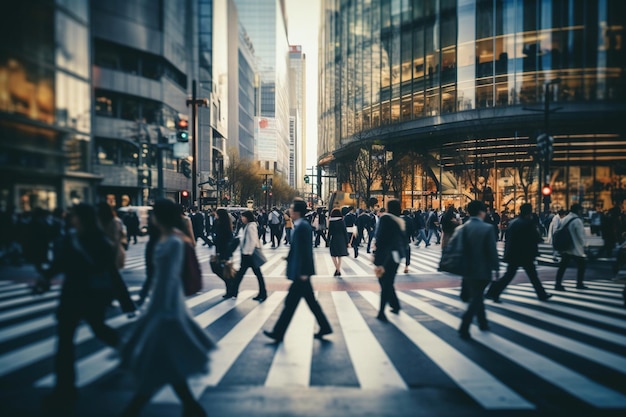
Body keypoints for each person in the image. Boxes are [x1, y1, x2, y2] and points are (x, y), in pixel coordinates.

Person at [119, 199, 213, 417]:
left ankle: (136, 408)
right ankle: (191, 408)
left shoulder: (173, 242)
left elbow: (170, 279)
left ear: (160, 216)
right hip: (164, 307)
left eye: (153, 213)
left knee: (158, 359)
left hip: (167, 308)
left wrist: (159, 310)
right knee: (163, 361)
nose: (150, 217)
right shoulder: (164, 239)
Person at [42, 204, 126, 413]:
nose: (72, 220)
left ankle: (66, 388)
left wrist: (47, 277)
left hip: (85, 294)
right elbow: (62, 263)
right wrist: (46, 278)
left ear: (82, 218)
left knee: (89, 331)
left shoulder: (92, 240)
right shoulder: (81, 239)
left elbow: (105, 269)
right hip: (82, 295)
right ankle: (65, 386)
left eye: (75, 216)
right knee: (69, 338)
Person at [264, 199, 332, 342]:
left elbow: (305, 251)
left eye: (292, 209)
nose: (290, 211)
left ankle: (278, 332)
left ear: (297, 212)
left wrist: (303, 272)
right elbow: (298, 248)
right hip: (301, 272)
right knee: (308, 302)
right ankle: (324, 326)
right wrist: (289, 258)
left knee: (291, 303)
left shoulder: (302, 227)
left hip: (301, 273)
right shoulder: (300, 225)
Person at [486, 203, 552, 303]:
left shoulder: (514, 222)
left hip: (513, 253)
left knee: (509, 275)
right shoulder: (527, 223)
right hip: (525, 254)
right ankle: (541, 294)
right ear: (529, 212)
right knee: (532, 275)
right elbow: (535, 238)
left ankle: (494, 292)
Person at [456, 200, 499, 340]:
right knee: (477, 296)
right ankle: (465, 325)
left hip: (466, 268)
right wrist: (496, 268)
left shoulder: (463, 228)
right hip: (482, 268)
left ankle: (483, 322)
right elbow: (492, 251)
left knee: (477, 295)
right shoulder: (487, 228)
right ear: (482, 212)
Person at [373, 199, 406, 322]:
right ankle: (395, 305)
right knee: (388, 281)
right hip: (396, 256)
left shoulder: (385, 219)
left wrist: (377, 257)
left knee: (384, 282)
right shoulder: (400, 221)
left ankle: (382, 311)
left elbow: (381, 238)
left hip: (385, 256)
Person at [231, 211, 267, 301]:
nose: (241, 218)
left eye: (243, 217)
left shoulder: (251, 226)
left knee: (242, 274)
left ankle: (233, 292)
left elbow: (252, 240)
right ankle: (262, 293)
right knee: (255, 274)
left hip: (249, 255)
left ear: (247, 217)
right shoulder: (249, 225)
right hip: (248, 254)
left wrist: (248, 253)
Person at [554, 203, 588, 291]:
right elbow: (580, 236)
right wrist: (585, 244)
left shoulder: (565, 218)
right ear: (578, 210)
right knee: (582, 266)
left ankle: (558, 284)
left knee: (562, 266)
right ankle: (579, 283)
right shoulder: (577, 221)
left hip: (566, 246)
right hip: (575, 247)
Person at [214, 208, 238, 298]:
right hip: (224, 251)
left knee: (223, 271)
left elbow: (221, 239)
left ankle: (230, 289)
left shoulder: (222, 225)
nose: (215, 215)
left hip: (223, 251)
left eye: (216, 214)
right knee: (225, 271)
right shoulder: (225, 224)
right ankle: (231, 289)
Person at [327, 208, 349, 277]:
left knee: (333, 255)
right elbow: (345, 231)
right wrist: (347, 241)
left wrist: (327, 240)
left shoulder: (331, 221)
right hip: (341, 239)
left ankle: (337, 270)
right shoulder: (341, 221)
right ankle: (338, 269)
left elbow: (329, 232)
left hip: (334, 239)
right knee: (339, 256)